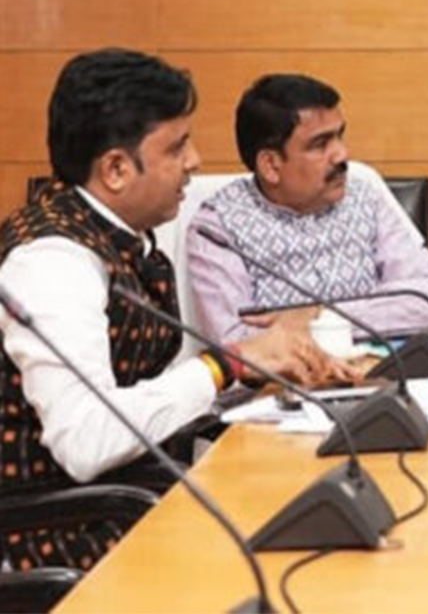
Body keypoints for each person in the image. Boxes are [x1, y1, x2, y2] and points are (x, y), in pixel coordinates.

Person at [0, 49, 346, 572]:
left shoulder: (116, 237)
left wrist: (253, 370)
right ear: (116, 168)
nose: (195, 162)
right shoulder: (53, 262)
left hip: (132, 502)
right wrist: (223, 363)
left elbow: (145, 401)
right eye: (178, 146)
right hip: (69, 535)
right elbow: (86, 440)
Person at [186, 74, 428, 346]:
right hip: (282, 386)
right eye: (320, 144)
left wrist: (323, 318)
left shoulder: (364, 197)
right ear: (270, 165)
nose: (342, 154)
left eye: (340, 136)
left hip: (383, 375)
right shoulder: (217, 228)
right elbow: (236, 345)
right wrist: (378, 314)